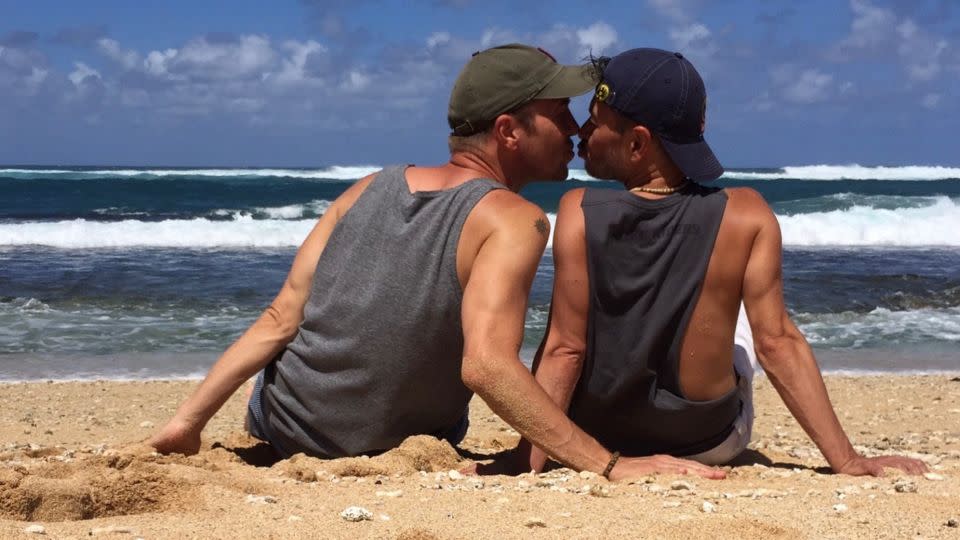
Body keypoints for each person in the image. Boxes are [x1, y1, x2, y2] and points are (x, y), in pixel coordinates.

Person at [148, 44, 724, 481]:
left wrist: (187, 421)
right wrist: (609, 465)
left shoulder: (366, 187)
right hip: (394, 439)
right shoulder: (511, 219)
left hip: (285, 425)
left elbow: (280, 319)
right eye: (558, 113)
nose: (576, 127)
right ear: (508, 131)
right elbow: (487, 368)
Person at [525, 48, 928, 477]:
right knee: (744, 328)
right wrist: (846, 460)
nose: (582, 133)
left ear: (638, 143)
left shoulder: (577, 210)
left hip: (598, 438)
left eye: (596, 120)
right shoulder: (748, 214)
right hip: (706, 443)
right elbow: (777, 344)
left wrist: (526, 459)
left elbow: (565, 349)